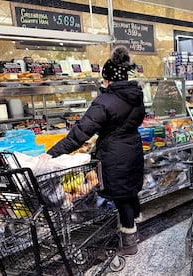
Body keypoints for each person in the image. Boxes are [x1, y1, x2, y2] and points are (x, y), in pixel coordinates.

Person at [47, 45, 145, 255]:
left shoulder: (104, 101)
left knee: (121, 197)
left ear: (108, 79)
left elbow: (79, 134)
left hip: (114, 154)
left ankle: (129, 243)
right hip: (133, 150)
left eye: (104, 79)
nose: (103, 83)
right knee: (130, 192)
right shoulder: (136, 96)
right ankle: (135, 231)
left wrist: (50, 154)